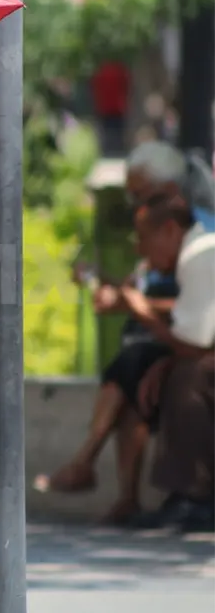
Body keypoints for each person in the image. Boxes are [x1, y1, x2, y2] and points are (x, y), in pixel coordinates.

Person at [35, 140, 215, 524]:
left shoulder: (200, 240)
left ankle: (185, 494)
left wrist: (142, 313)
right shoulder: (172, 236)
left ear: (167, 195)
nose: (133, 204)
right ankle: (122, 492)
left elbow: (196, 324)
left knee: (171, 372)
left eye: (139, 194)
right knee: (136, 374)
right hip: (187, 334)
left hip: (194, 338)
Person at [121, 194, 215, 531]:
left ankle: (194, 496)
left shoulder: (198, 256)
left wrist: (143, 313)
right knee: (174, 370)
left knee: (187, 378)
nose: (141, 251)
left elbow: (195, 344)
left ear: (171, 230)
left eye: (145, 239)